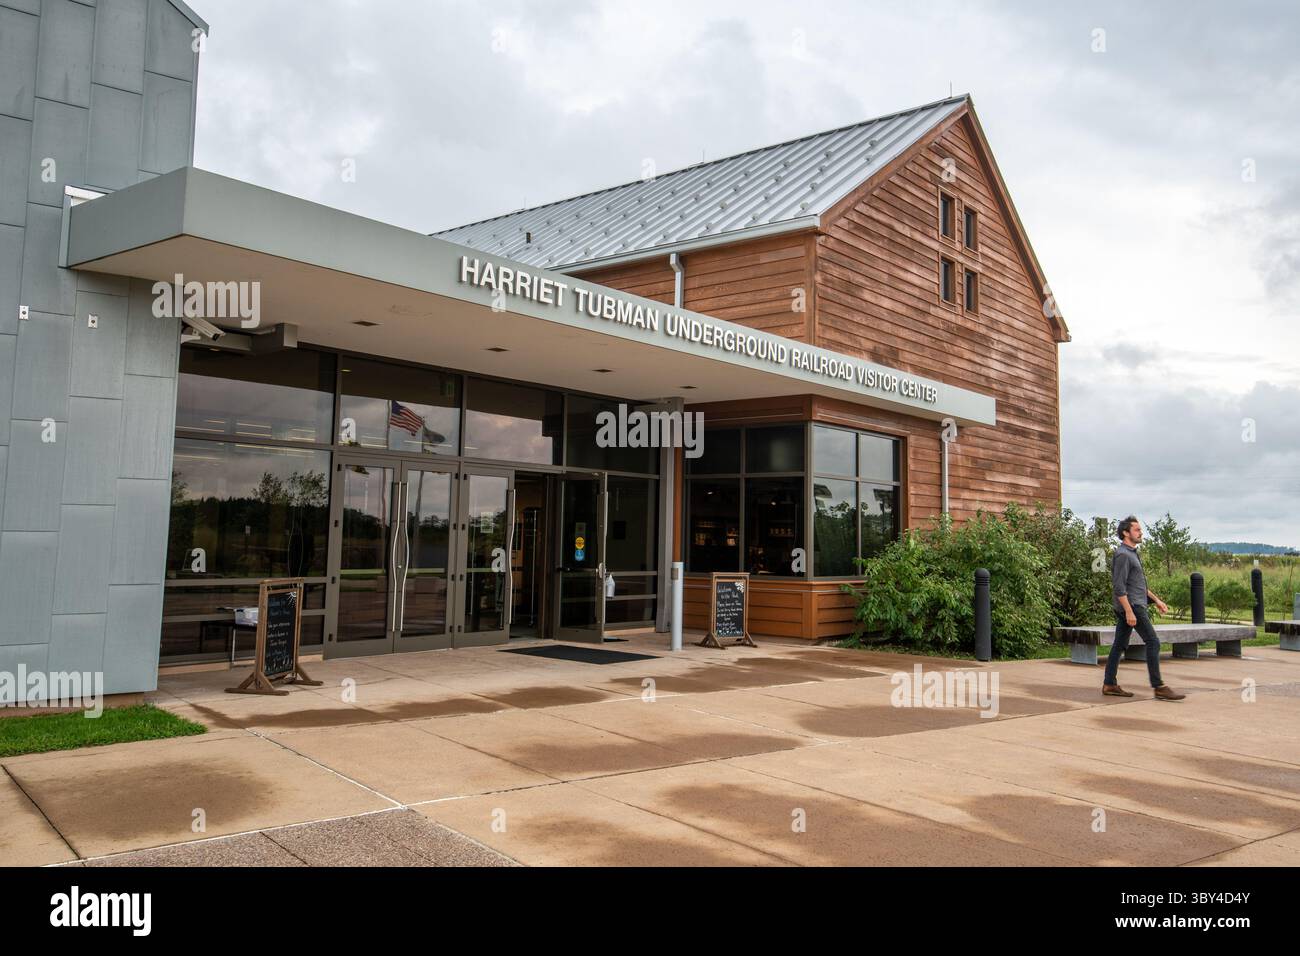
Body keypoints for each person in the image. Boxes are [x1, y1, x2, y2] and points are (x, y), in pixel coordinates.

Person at [1103, 516, 1185, 701]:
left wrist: (1156, 600)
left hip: (1135, 604)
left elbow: (1137, 585)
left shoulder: (1132, 553)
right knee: (1153, 642)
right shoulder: (1123, 554)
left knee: (1119, 645)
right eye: (1137, 530)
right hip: (1132, 606)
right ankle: (1159, 687)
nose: (1141, 533)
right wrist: (1129, 611)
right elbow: (1119, 587)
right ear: (1126, 532)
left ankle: (1109, 684)